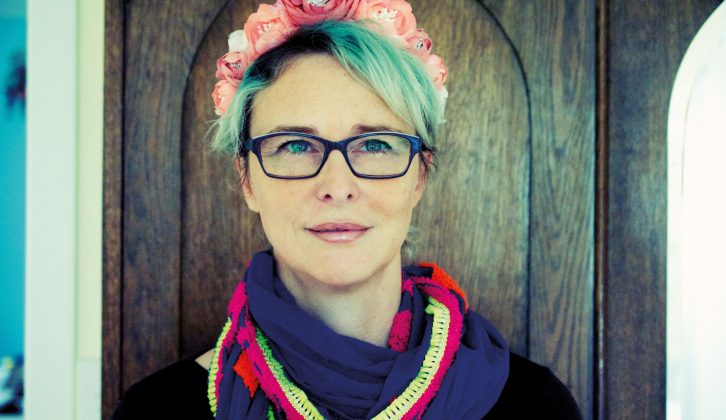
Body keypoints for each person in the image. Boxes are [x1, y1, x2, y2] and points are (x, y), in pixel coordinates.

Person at [113, 1, 582, 418]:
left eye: (375, 144)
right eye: (295, 145)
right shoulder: (157, 410)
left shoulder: (534, 407)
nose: (337, 187)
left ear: (419, 176)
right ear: (247, 180)